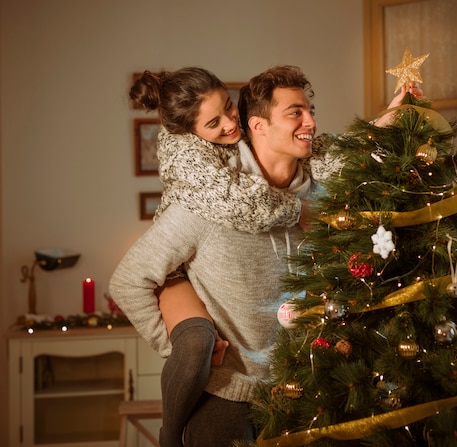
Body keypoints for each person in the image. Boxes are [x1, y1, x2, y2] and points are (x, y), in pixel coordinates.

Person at [115, 66, 422, 446]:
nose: (310, 121)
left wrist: (388, 121)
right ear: (258, 125)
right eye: (295, 112)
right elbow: (128, 281)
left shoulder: (325, 194)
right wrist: (177, 347)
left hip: (309, 389)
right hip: (228, 395)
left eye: (310, 109)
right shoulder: (206, 203)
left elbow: (351, 153)